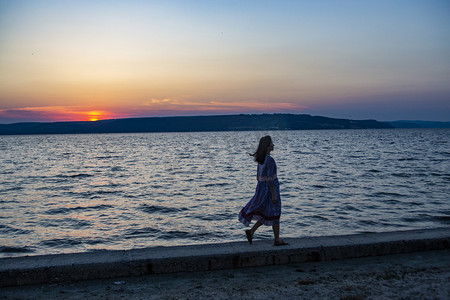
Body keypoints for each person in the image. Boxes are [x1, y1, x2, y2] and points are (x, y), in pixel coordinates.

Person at [238, 135, 288, 246]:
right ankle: (277, 240)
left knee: (266, 213)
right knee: (275, 212)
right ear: (267, 146)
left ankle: (251, 232)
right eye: (271, 143)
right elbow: (270, 178)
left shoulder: (261, 160)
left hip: (262, 189)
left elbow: (258, 177)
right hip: (271, 190)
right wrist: (274, 194)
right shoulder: (270, 160)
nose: (273, 145)